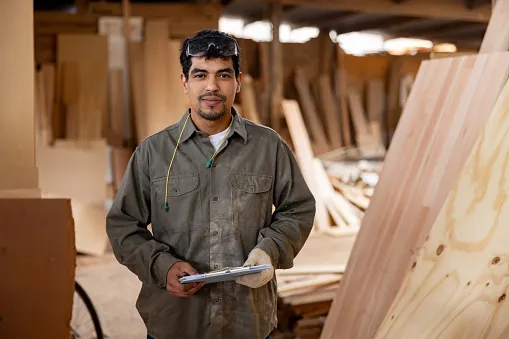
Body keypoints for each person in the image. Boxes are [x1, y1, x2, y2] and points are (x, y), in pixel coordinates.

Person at [106, 29, 316, 339]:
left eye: (224, 75)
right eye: (201, 75)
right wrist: (162, 266)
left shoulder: (268, 146)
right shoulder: (153, 152)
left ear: (238, 82)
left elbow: (297, 209)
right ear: (185, 83)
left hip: (247, 321)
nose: (212, 86)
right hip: (176, 323)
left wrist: (270, 250)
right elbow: (123, 225)